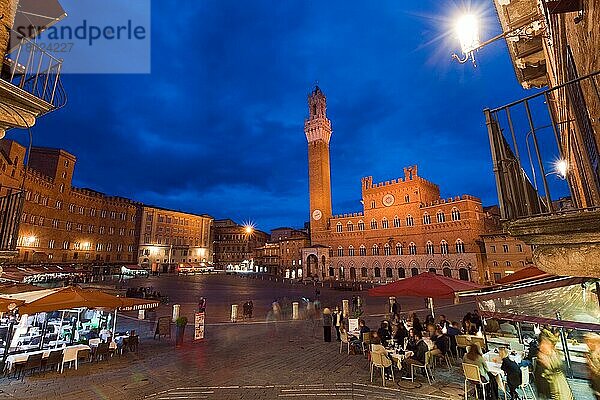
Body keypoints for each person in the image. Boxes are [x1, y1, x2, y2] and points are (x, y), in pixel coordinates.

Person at [535, 329, 574, 400]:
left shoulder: (554, 355)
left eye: (546, 343)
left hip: (560, 391)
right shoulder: (542, 357)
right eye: (543, 343)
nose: (542, 346)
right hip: (551, 393)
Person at [584, 333, 600, 400]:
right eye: (587, 341)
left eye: (590, 341)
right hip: (596, 385)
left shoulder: (597, 354)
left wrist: (591, 365)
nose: (588, 344)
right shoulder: (591, 353)